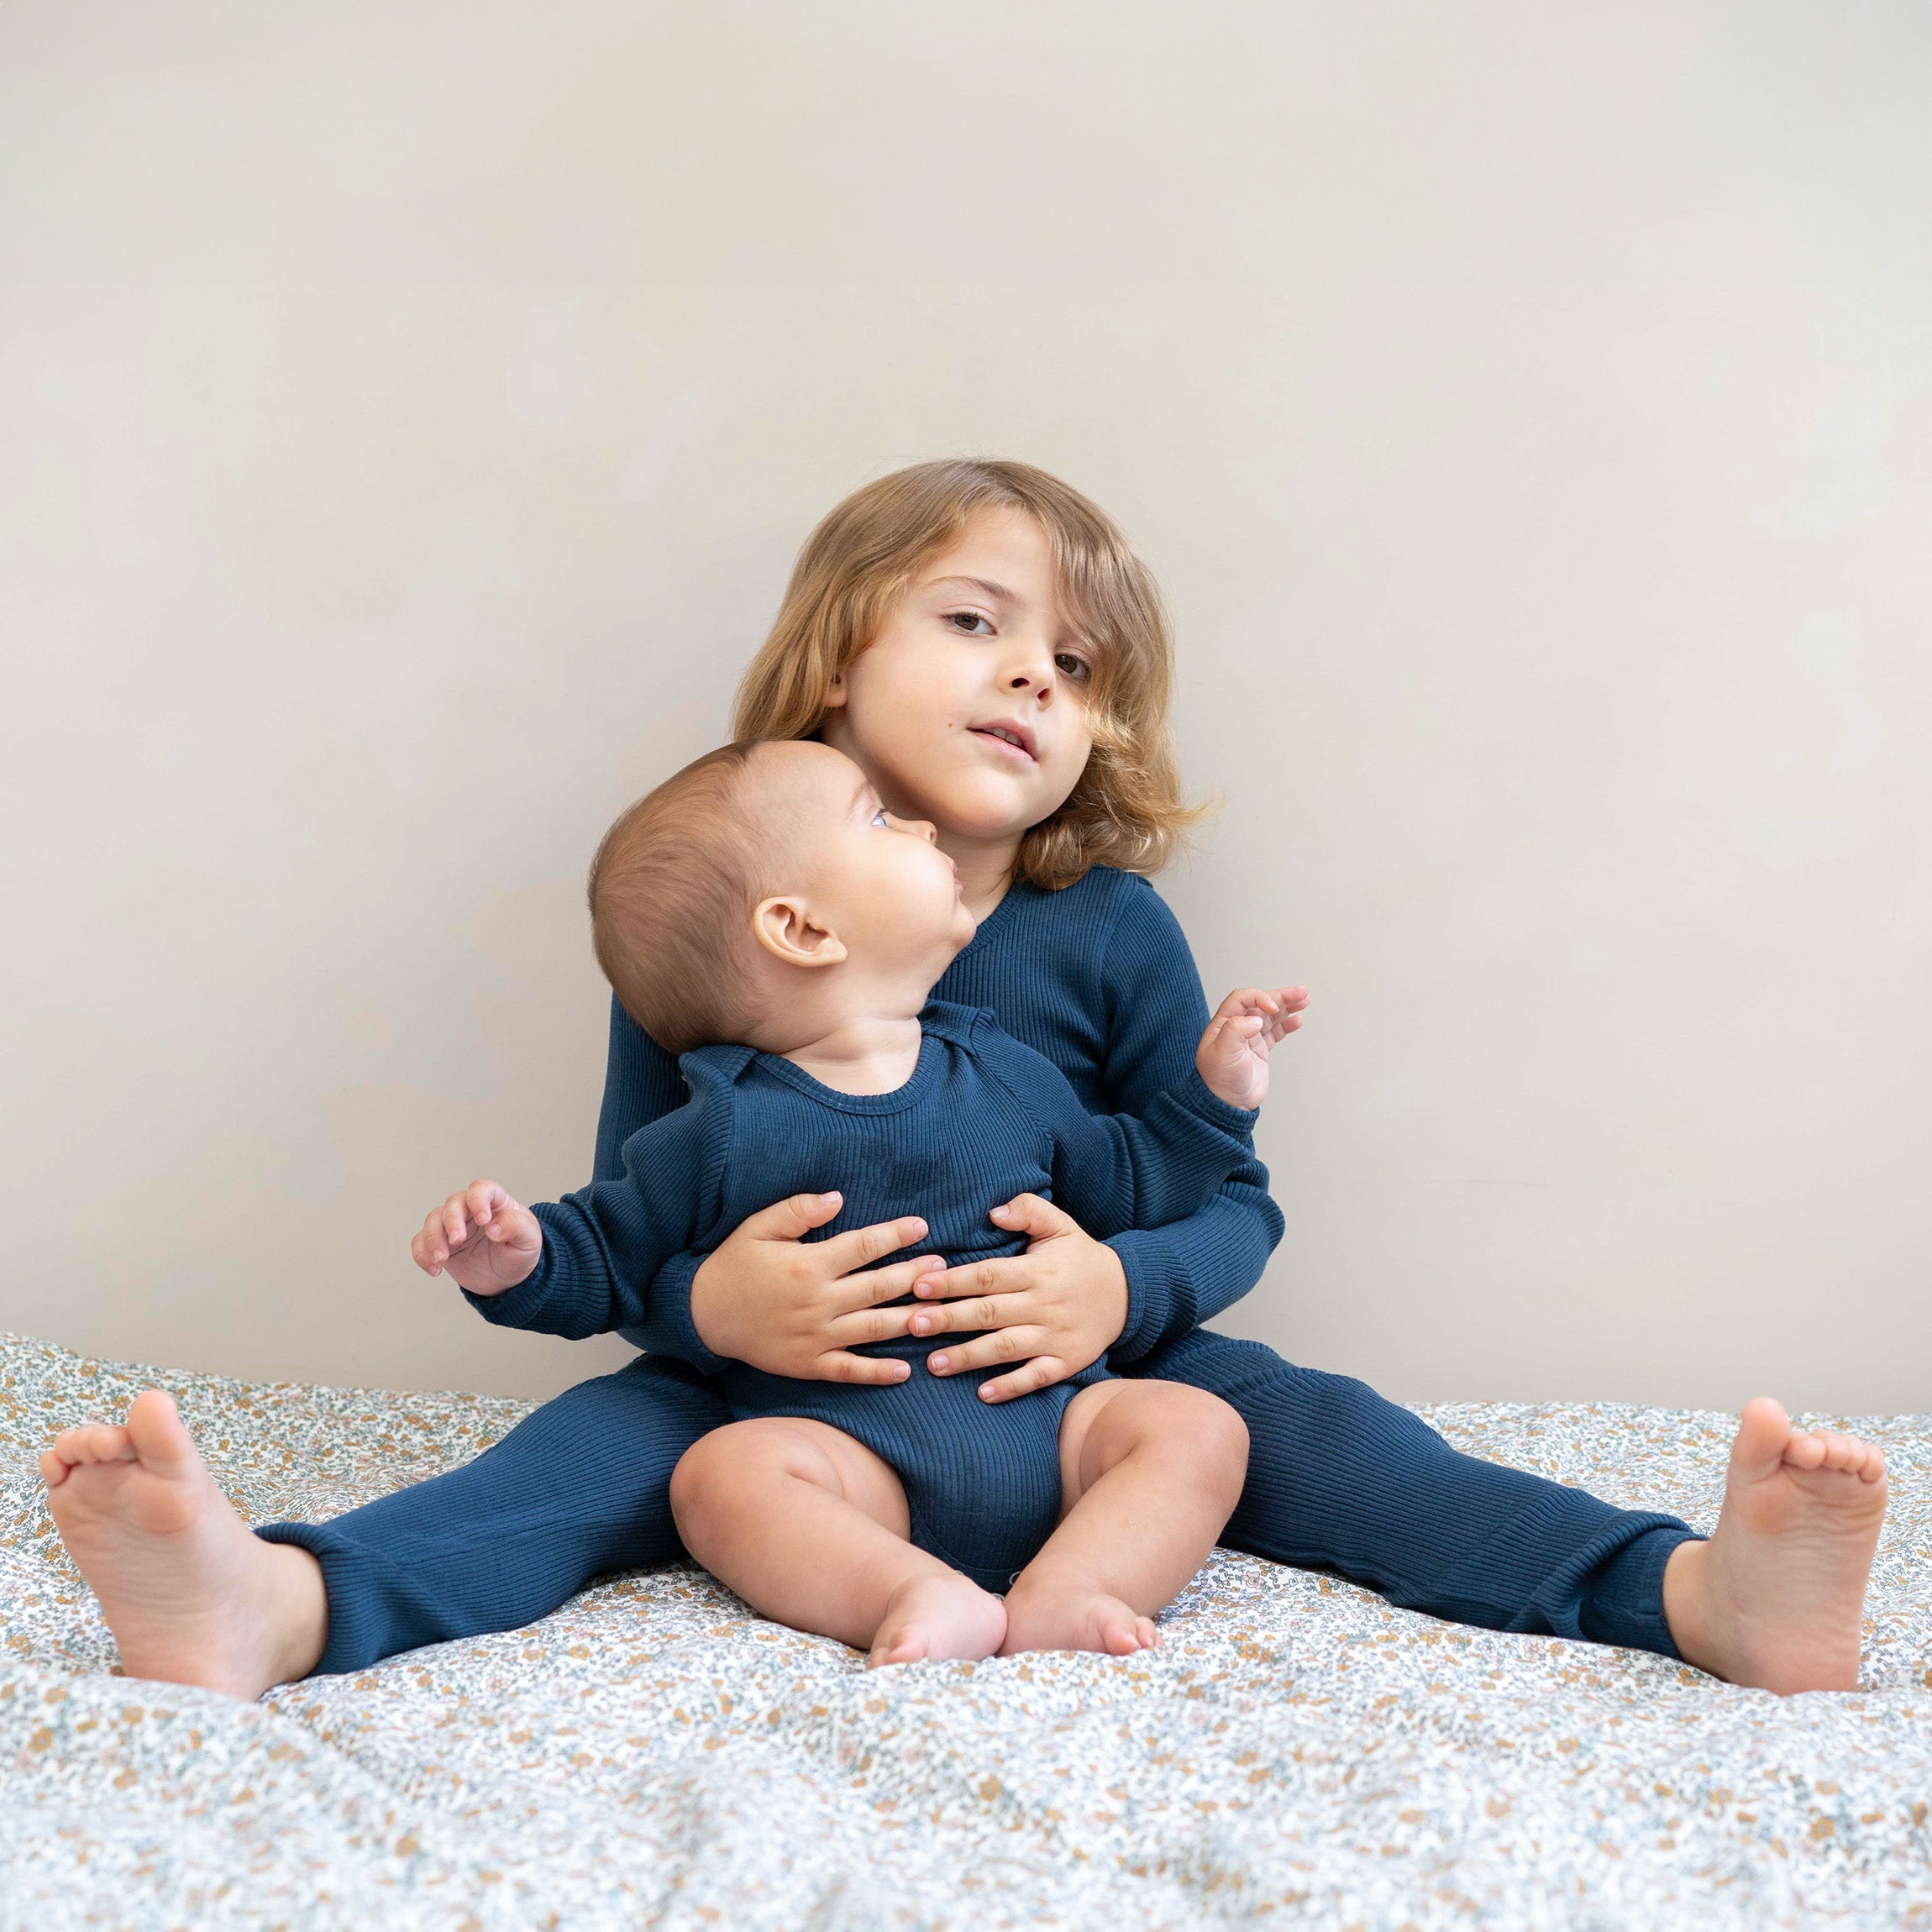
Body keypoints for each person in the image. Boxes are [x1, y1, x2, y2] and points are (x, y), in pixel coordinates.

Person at [41, 459, 1889, 1703]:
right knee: (592, 1461)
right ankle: (270, 1602)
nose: (1031, 676)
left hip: (1083, 1382)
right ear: (842, 656)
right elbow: (629, 1227)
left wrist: (1119, 1282)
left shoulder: (1107, 934)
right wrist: (713, 1300)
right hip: (800, 1418)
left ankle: (1694, 1596)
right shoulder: (716, 939)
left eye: (1073, 664)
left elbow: (1217, 1195)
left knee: (1316, 1432)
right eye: (976, 621)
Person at [410, 738, 1294, 1664]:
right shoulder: (724, 1125)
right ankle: (907, 1590)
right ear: (801, 929)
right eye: (876, 816)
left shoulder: (1001, 1070)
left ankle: (1072, 1587)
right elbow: (605, 1253)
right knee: (721, 1474)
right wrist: (517, 1259)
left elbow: (1127, 1177)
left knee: (1197, 1426)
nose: (918, 823)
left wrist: (1212, 1097)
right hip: (855, 1471)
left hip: (1060, 1431)